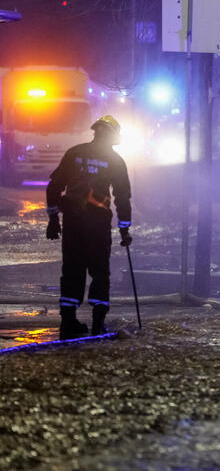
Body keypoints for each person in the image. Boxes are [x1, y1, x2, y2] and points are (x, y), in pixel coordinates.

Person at [46, 115, 133, 339]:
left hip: (73, 222)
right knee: (100, 271)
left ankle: (68, 323)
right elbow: (123, 197)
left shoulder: (75, 153)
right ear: (113, 135)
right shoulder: (115, 161)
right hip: (97, 224)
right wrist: (124, 229)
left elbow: (54, 187)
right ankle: (98, 324)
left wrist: (53, 219)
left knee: (72, 270)